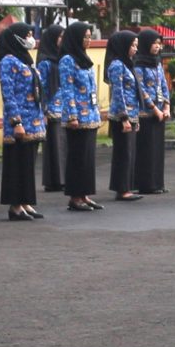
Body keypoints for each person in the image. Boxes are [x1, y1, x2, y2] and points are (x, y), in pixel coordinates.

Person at [0, 22, 47, 220]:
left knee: (28, 164)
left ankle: (26, 202)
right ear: (16, 38)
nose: (30, 39)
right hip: (19, 123)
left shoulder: (25, 59)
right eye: (26, 35)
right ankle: (15, 206)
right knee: (17, 164)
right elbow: (8, 93)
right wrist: (16, 122)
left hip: (33, 121)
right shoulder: (8, 61)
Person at [55, 21, 102, 210]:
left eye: (90, 37)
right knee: (77, 158)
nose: (89, 40)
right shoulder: (67, 60)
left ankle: (85, 194)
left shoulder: (85, 58)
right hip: (77, 118)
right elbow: (67, 89)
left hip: (90, 115)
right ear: (76, 38)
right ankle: (75, 197)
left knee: (88, 159)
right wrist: (72, 115)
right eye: (85, 37)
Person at [105, 27, 144, 201]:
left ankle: (127, 186)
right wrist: (124, 118)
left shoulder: (128, 64)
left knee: (130, 153)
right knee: (123, 153)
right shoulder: (116, 65)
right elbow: (118, 92)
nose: (135, 49)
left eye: (136, 45)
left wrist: (136, 118)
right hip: (122, 116)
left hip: (131, 114)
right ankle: (121, 189)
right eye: (132, 45)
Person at [135, 27, 171, 195]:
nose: (157, 46)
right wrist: (154, 108)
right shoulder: (138, 64)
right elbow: (141, 89)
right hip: (146, 113)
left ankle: (157, 183)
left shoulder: (157, 63)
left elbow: (163, 84)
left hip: (160, 112)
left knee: (157, 150)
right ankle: (146, 184)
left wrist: (166, 106)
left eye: (159, 43)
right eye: (154, 43)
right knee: (147, 150)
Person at [38, 18, 68, 194]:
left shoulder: (61, 59)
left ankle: (63, 178)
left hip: (63, 109)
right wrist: (43, 110)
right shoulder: (45, 62)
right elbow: (41, 87)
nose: (62, 40)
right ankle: (53, 180)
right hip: (51, 109)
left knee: (63, 145)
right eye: (60, 37)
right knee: (54, 146)